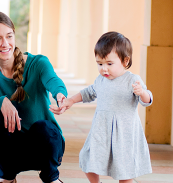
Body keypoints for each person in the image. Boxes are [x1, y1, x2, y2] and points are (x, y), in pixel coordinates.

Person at [0, 11, 67, 183]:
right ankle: (7, 176)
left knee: (44, 128)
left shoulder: (38, 63)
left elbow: (53, 81)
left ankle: (51, 178)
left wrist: (60, 95)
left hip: (45, 149)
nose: (5, 43)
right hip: (11, 152)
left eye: (9, 36)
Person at [60, 31, 153, 183]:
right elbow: (88, 92)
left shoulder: (132, 80)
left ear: (125, 60)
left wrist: (142, 92)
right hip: (101, 131)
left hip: (124, 134)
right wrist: (71, 100)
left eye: (109, 64)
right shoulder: (100, 81)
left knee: (124, 172)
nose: (104, 69)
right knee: (87, 159)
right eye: (100, 63)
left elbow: (147, 100)